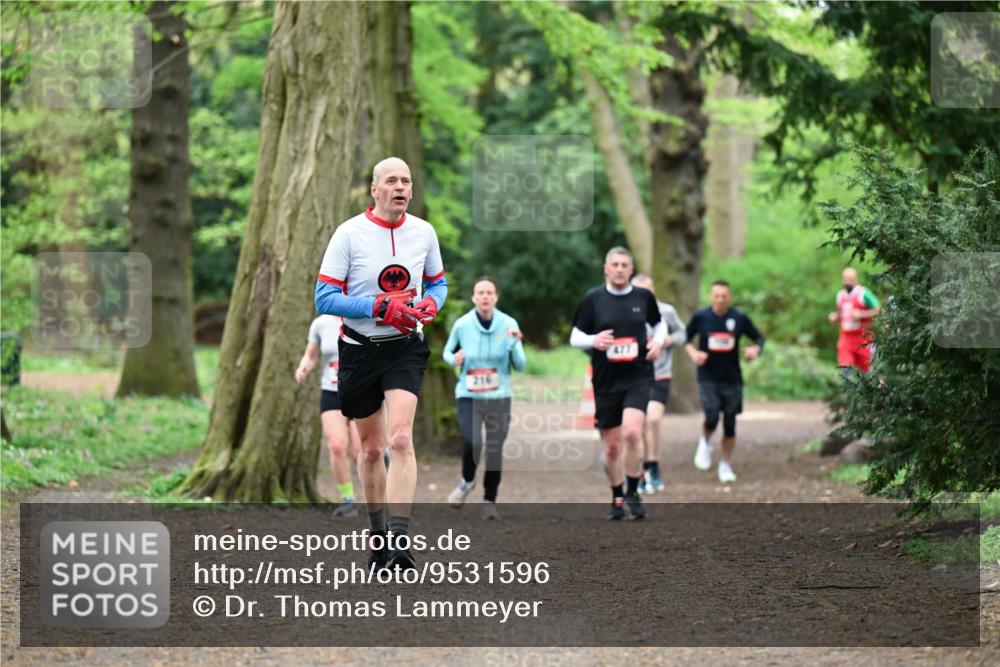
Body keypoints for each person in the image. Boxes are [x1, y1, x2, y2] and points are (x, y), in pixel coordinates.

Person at [315, 157, 447, 571]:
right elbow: (324, 298)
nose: (400, 187)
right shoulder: (349, 234)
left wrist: (431, 303)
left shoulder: (423, 232)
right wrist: (375, 306)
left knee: (401, 439)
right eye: (391, 180)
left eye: (406, 180)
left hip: (405, 347)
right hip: (357, 348)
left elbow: (438, 283)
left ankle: (400, 541)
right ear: (375, 189)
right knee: (371, 450)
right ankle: (377, 537)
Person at [570, 247, 665, 520]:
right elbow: (575, 335)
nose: (620, 269)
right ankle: (617, 497)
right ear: (606, 269)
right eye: (615, 264)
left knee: (633, 433)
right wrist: (594, 340)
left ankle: (634, 491)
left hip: (637, 375)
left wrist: (657, 342)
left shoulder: (643, 297)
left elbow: (659, 325)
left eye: (625, 265)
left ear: (631, 269)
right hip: (606, 380)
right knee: (612, 446)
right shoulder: (593, 299)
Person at [443, 276, 527, 520]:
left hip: (499, 396)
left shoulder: (508, 323)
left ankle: (489, 500)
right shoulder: (462, 324)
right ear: (473, 297)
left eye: (489, 292)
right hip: (468, 395)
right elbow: (447, 352)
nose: (485, 297)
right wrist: (453, 359)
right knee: (472, 442)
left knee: (494, 449)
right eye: (480, 292)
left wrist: (514, 345)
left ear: (496, 297)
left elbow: (521, 366)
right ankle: (467, 481)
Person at [685, 280, 764, 483]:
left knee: (730, 424)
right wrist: (694, 353)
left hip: (732, 378)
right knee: (711, 415)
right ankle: (705, 442)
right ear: (711, 296)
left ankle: (725, 464)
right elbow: (685, 338)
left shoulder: (738, 318)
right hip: (707, 376)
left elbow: (759, 338)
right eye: (716, 295)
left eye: (724, 296)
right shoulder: (701, 317)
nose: (720, 299)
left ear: (729, 297)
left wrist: (755, 350)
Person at [295, 314, 362, 517]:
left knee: (362, 453)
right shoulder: (320, 323)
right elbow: (311, 354)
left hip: (362, 391)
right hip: (332, 392)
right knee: (336, 446)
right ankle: (348, 499)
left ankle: (377, 500)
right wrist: (303, 367)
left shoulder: (363, 317)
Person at [629, 274, 686, 494]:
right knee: (639, 424)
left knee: (653, 419)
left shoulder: (666, 311)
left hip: (660, 374)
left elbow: (682, 332)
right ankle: (644, 469)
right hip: (635, 375)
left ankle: (653, 467)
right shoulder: (627, 312)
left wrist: (671, 340)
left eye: (647, 291)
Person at [828, 267, 881, 375]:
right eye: (846, 278)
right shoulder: (840, 296)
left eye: (850, 278)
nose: (848, 280)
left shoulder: (863, 294)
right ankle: (849, 391)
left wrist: (861, 314)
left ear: (855, 279)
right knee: (845, 368)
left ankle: (881, 390)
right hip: (846, 338)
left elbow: (879, 310)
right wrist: (835, 317)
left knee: (870, 374)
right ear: (842, 279)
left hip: (863, 338)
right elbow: (842, 314)